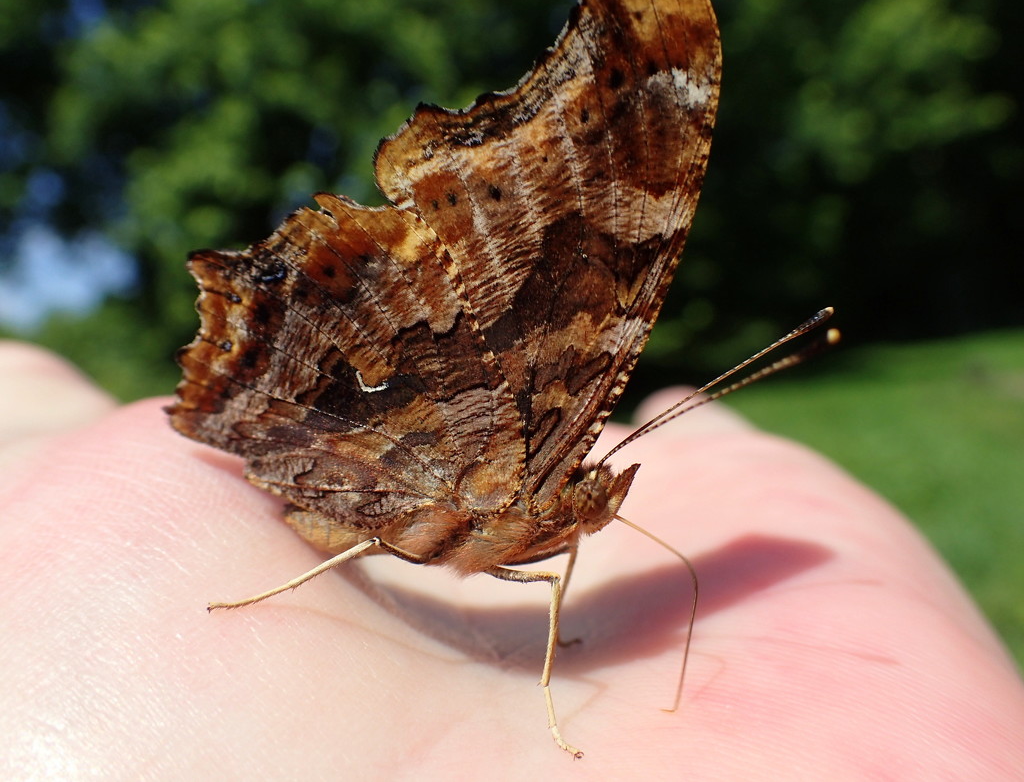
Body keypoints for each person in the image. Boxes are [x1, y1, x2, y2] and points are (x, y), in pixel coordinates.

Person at [1, 340, 1022, 777]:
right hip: (325, 422)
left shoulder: (534, 521)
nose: (603, 504)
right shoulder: (511, 472)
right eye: (595, 489)